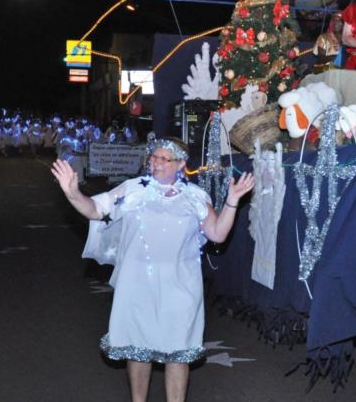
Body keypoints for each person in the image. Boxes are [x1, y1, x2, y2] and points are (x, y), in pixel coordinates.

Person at [51, 137, 254, 402]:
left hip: (182, 288)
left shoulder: (194, 197)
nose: (156, 162)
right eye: (153, 157)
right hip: (137, 285)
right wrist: (73, 193)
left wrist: (232, 200)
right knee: (139, 349)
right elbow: (95, 210)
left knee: (178, 353)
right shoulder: (133, 189)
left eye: (164, 158)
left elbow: (217, 233)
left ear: (181, 164)